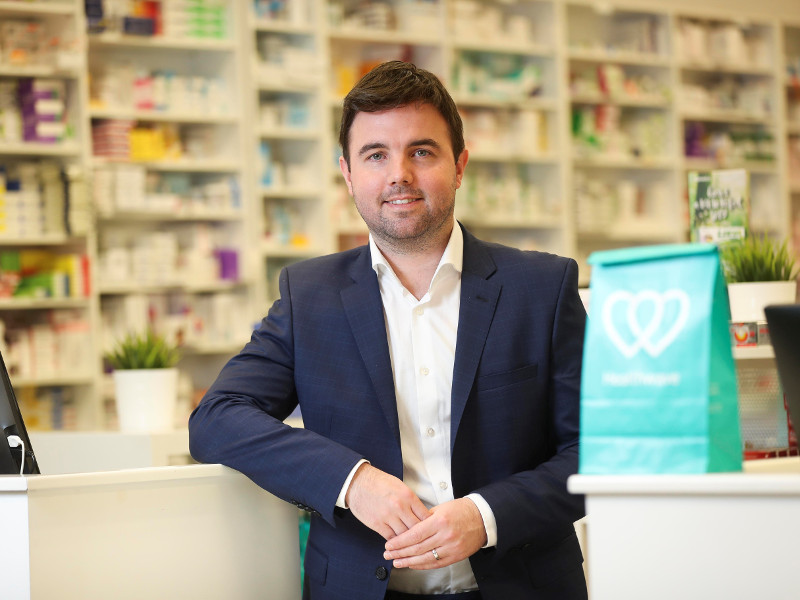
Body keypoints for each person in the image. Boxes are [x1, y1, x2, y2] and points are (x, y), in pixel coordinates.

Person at [189, 60, 587, 600]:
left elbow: (596, 450)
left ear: (460, 164)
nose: (399, 173)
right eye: (375, 155)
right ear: (348, 174)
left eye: (421, 151)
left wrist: (485, 516)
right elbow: (216, 419)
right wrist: (353, 483)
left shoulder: (541, 287)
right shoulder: (310, 297)